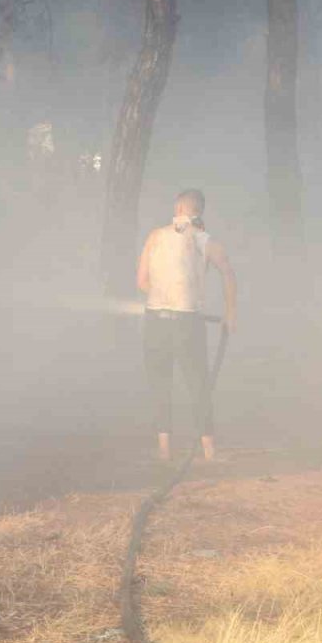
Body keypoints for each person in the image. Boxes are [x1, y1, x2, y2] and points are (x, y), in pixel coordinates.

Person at [136, 189, 237, 462]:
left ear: (178, 207)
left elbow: (142, 281)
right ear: (199, 212)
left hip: (155, 320)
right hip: (188, 322)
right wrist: (230, 314)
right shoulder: (206, 241)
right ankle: (209, 452)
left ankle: (164, 451)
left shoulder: (155, 236)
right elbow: (228, 273)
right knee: (198, 383)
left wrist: (165, 294)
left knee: (160, 384)